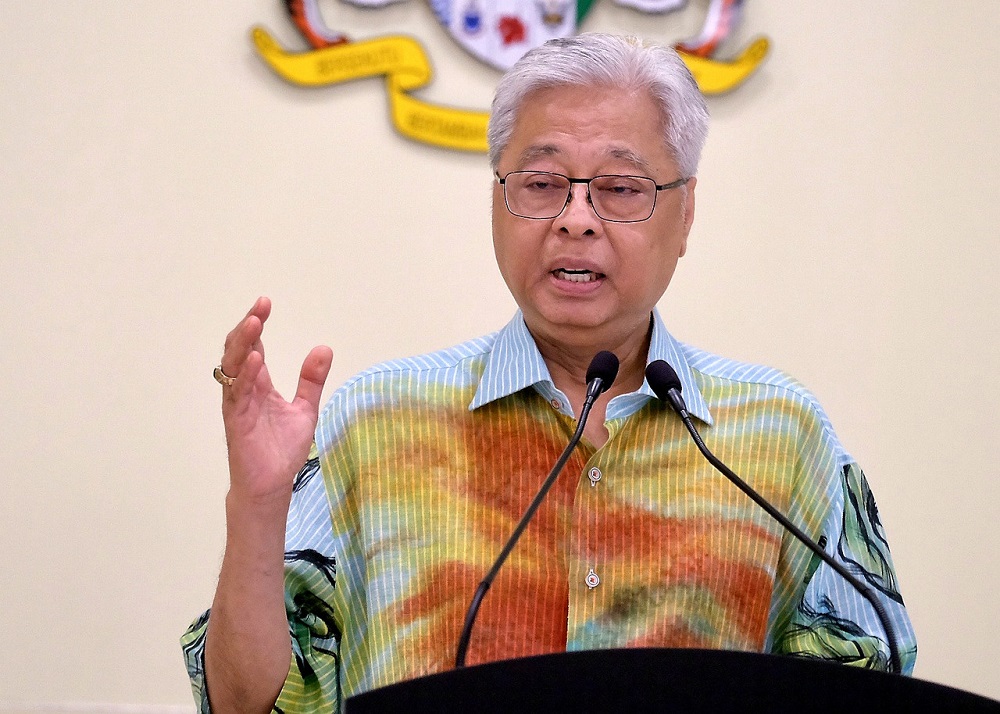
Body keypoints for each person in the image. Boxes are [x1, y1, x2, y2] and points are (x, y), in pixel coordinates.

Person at [182, 32, 916, 712]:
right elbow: (248, 706)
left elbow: (869, 682)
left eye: (621, 190)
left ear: (685, 213)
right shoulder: (376, 422)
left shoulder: (778, 436)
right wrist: (256, 503)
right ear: (497, 200)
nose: (575, 218)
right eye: (541, 184)